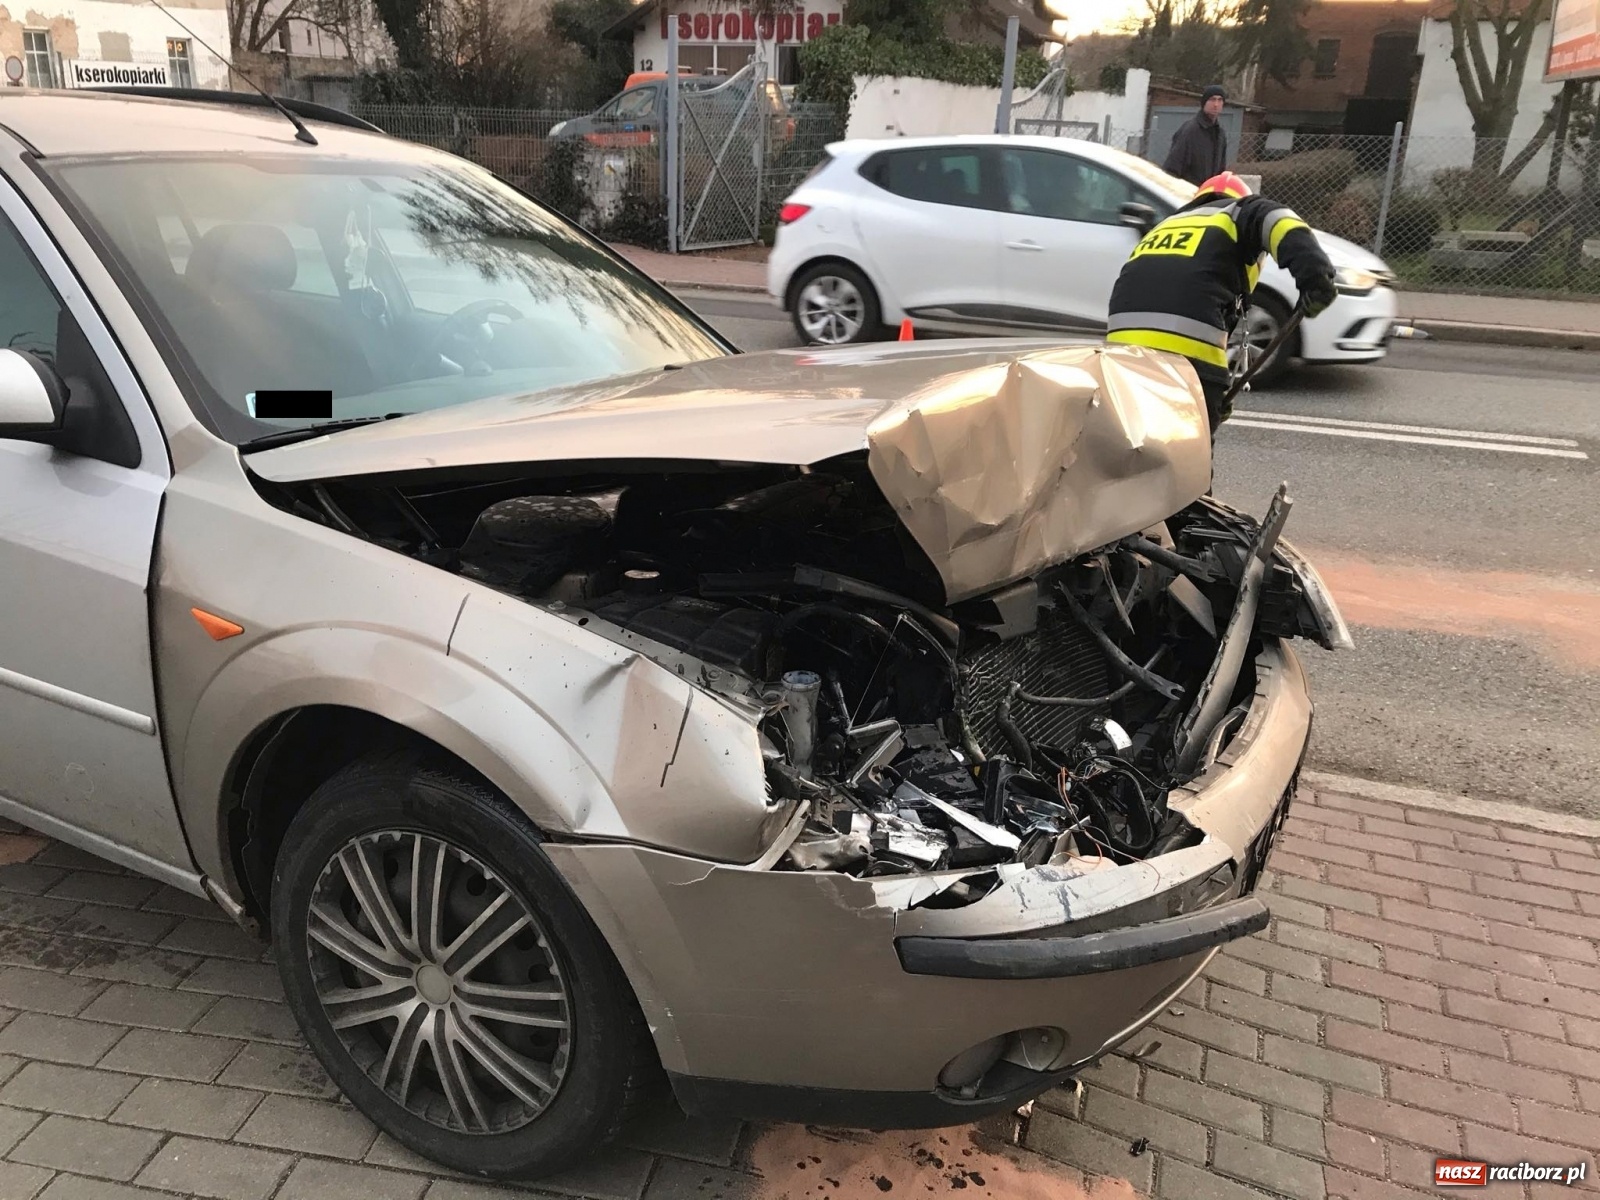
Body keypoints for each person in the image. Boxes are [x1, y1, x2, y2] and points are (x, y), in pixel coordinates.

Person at [1106, 171, 1338, 438]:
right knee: (1192, 459)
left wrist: (1219, 392)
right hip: (1187, 358)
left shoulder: (1165, 226)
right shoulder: (1238, 211)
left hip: (1122, 356)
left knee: (1137, 447)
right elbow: (1279, 220)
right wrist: (1315, 276)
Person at [1163, 85, 1229, 187]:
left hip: (1208, 195)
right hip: (1188, 193)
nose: (1216, 104)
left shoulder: (1220, 134)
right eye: (1212, 100)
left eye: (1220, 100)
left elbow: (1220, 169)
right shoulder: (1190, 131)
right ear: (1204, 103)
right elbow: (1173, 167)